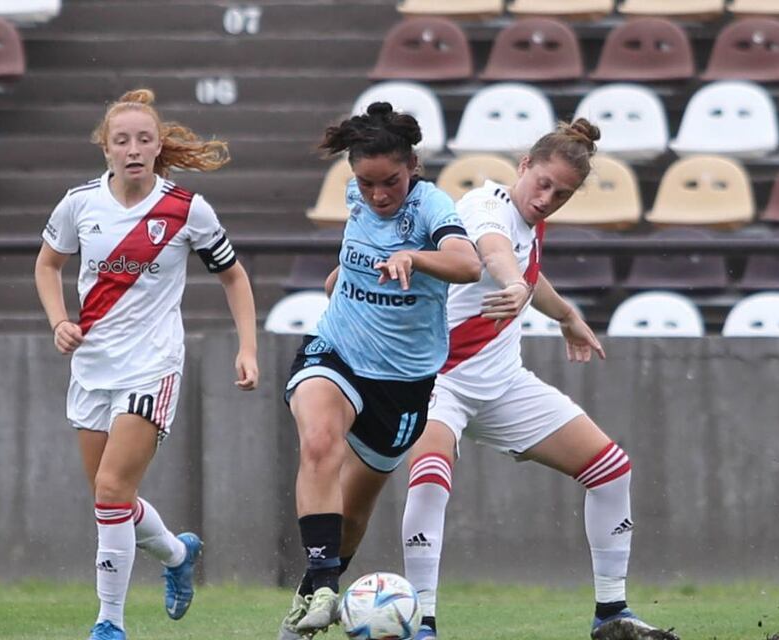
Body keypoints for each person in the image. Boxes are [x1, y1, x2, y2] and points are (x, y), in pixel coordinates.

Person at [400, 119, 679, 640]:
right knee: (431, 473)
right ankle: (422, 623)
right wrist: (511, 284)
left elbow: (527, 267)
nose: (548, 198)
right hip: (440, 381)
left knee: (611, 469)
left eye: (563, 193)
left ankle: (612, 615)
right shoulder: (485, 204)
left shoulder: (532, 220)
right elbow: (495, 249)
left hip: (503, 383)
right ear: (523, 166)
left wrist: (566, 314)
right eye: (543, 183)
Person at [34, 89, 259, 640]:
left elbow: (234, 275)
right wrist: (60, 320)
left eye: (144, 139)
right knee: (112, 500)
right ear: (105, 148)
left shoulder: (186, 208)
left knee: (111, 489)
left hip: (152, 368)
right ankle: (178, 554)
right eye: (121, 140)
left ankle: (109, 623)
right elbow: (47, 264)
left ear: (159, 146)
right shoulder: (79, 203)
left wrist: (247, 346)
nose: (133, 149)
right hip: (91, 369)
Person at [278, 102, 481, 639]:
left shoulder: (432, 206)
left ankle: (310, 593)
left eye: (389, 182)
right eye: (365, 184)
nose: (377, 196)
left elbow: (468, 264)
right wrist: (343, 277)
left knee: (354, 511)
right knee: (320, 440)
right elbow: (361, 247)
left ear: (412, 165)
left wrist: (415, 257)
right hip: (337, 349)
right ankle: (324, 585)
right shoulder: (357, 195)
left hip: (402, 383)